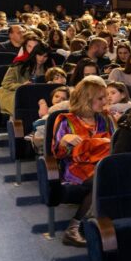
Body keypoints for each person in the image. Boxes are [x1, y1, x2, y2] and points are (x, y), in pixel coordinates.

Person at [50, 76, 114, 247]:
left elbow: (116, 144)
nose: (105, 101)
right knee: (103, 178)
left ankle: (106, 227)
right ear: (87, 99)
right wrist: (64, 140)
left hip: (102, 164)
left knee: (111, 174)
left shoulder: (106, 118)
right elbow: (57, 153)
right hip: (75, 168)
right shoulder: (65, 120)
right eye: (100, 98)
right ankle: (74, 228)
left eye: (105, 97)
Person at [0, 41, 49, 115]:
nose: (42, 58)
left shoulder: (48, 69)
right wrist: (22, 85)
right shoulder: (19, 66)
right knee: (24, 99)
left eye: (45, 56)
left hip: (38, 94)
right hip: (16, 92)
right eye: (39, 55)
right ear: (34, 54)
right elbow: (6, 83)